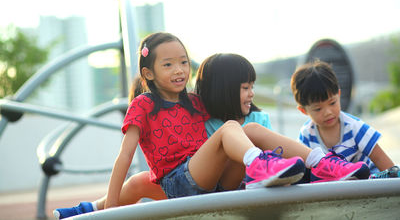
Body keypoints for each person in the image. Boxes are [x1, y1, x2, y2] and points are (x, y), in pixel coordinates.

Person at [53, 40, 369, 219]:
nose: (178, 70)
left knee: (245, 130)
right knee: (140, 179)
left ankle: (323, 163)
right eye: (168, 65)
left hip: (212, 180)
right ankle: (90, 210)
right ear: (148, 73)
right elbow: (124, 157)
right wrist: (107, 212)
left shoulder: (194, 103)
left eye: (183, 63)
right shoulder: (144, 106)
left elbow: (221, 96)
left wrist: (240, 91)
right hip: (179, 181)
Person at [291, 59, 397, 180]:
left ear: (339, 94)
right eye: (318, 109)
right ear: (304, 110)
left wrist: (393, 182)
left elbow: (382, 161)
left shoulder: (354, 127)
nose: (328, 112)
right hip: (330, 189)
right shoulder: (306, 134)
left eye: (332, 103)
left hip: (365, 183)